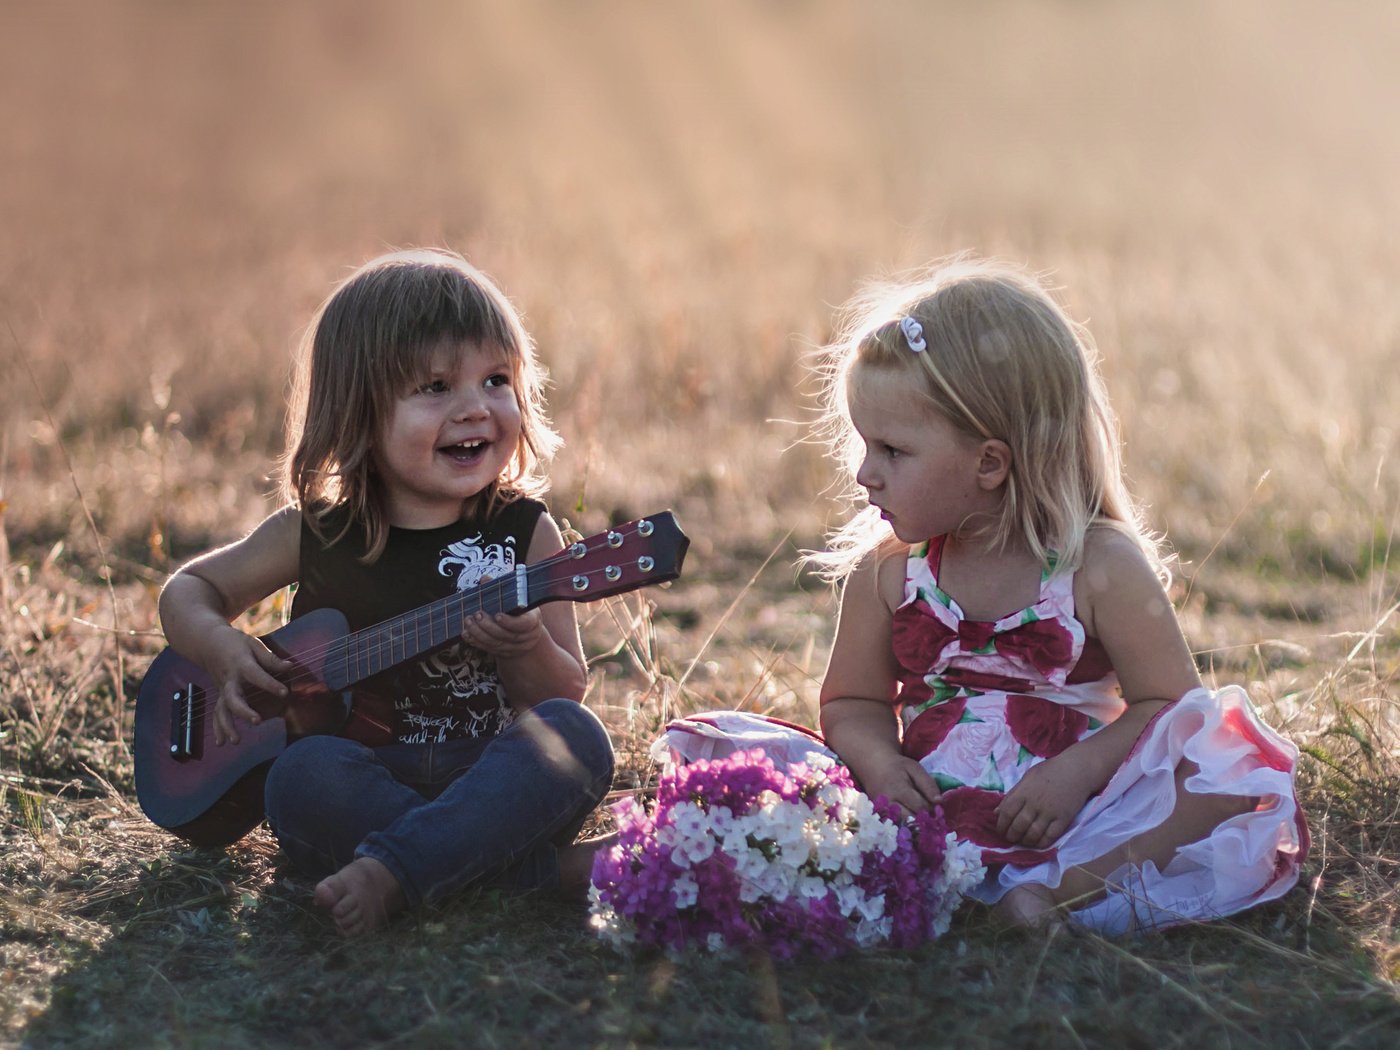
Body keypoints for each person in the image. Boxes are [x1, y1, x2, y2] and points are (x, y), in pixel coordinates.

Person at [663, 257, 1306, 933]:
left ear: (989, 463)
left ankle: (1052, 896)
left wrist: (1078, 773)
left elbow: (1173, 705)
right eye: (863, 445)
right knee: (744, 773)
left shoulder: (1098, 566)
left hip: (1079, 813)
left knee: (1225, 768)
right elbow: (851, 702)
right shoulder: (888, 574)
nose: (864, 474)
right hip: (924, 811)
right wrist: (880, 764)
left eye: (891, 450)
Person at [158, 248, 614, 936]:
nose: (475, 409)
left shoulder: (525, 534)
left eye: (496, 380)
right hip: (359, 774)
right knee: (300, 777)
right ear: (359, 412)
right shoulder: (314, 532)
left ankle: (394, 870)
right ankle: (535, 874)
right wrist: (222, 651)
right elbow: (188, 589)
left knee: (576, 738)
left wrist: (524, 648)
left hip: (486, 776)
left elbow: (559, 697)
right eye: (435, 388)